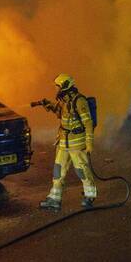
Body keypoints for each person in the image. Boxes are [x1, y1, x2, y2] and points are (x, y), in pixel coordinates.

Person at [37, 73, 96, 211]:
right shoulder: (64, 100)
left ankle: (89, 196)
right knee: (58, 171)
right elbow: (59, 112)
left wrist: (89, 143)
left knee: (82, 170)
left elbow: (88, 123)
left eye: (57, 86)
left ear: (64, 86)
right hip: (63, 143)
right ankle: (54, 199)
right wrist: (49, 105)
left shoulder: (79, 101)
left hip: (77, 143)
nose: (56, 89)